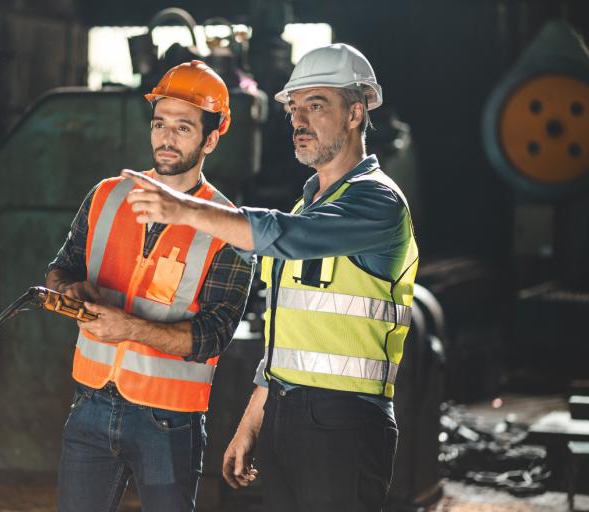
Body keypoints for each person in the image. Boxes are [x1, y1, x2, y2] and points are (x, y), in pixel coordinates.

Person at [121, 43, 419, 512]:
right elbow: (289, 336)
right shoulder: (306, 206)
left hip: (346, 421)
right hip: (286, 414)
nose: (299, 121)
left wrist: (185, 209)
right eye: (294, 109)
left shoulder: (378, 202)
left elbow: (288, 236)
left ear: (356, 113)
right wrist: (253, 422)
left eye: (316, 106)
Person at [45, 60, 254, 512]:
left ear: (211, 139)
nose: (166, 137)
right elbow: (60, 267)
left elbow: (212, 336)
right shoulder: (106, 195)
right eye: (160, 123)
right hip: (90, 405)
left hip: (168, 422)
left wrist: (129, 328)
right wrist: (69, 291)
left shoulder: (230, 228)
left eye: (183, 127)